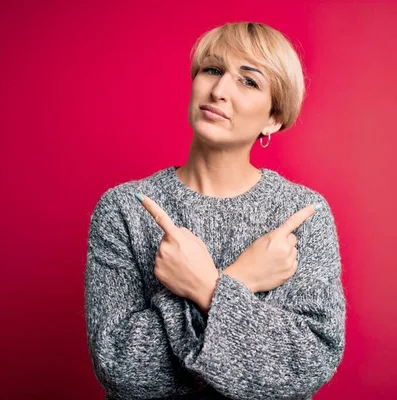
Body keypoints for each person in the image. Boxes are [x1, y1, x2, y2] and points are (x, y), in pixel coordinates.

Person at [85, 21, 346, 400]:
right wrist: (238, 281)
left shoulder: (302, 214)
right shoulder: (124, 208)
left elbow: (308, 363)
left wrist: (207, 287)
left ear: (274, 118)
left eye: (249, 81)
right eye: (212, 70)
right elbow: (121, 368)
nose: (220, 90)